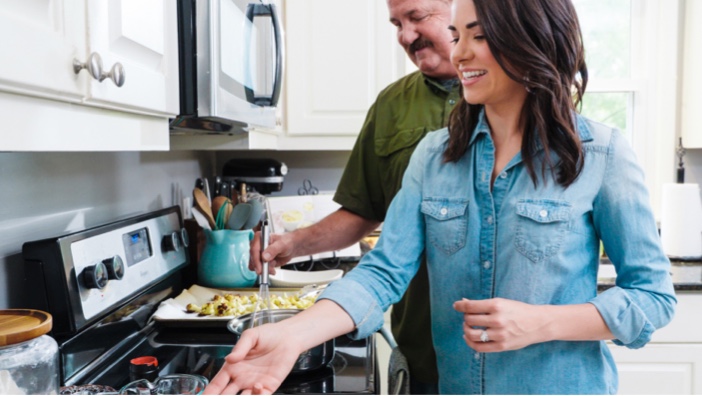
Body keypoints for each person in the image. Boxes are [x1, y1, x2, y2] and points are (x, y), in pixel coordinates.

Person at [206, 0, 677, 393]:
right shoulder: (434, 156)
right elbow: (384, 271)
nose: (461, 52)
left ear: (532, 38)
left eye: (479, 36)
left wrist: (542, 323)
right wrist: (292, 334)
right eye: (456, 34)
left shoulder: (602, 155)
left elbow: (653, 297)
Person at [249, 0, 458, 393]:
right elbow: (370, 222)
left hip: (516, 367)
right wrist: (292, 245)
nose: (405, 36)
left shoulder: (525, 104)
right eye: (397, 23)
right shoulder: (393, 104)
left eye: (417, 18)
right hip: (421, 354)